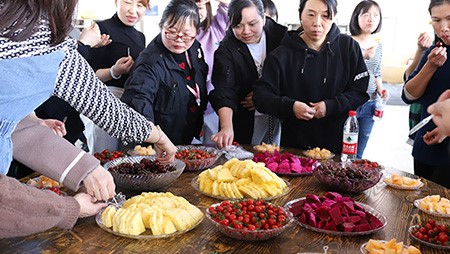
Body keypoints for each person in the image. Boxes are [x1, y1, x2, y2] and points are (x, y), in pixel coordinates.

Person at [0, 0, 176, 236]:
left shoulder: (52, 45)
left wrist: (85, 168)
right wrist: (67, 208)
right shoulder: (50, 47)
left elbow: (14, 126)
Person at [253, 0, 369, 154]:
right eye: (311, 15)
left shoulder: (348, 48)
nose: (317, 23)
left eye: (325, 16)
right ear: (300, 14)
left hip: (338, 149)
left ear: (334, 17)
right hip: (294, 151)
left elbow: (359, 92)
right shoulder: (281, 55)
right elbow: (261, 97)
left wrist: (331, 106)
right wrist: (291, 107)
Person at [121, 0, 209, 145]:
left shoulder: (194, 48)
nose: (179, 40)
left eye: (186, 35)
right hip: (158, 145)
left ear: (196, 32)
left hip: (186, 138)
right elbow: (138, 98)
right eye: (172, 32)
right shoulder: (150, 62)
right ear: (162, 25)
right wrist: (155, 139)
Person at [209, 0, 287, 148]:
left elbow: (292, 76)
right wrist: (226, 127)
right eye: (238, 26)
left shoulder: (281, 37)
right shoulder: (226, 50)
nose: (246, 31)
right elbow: (224, 90)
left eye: (252, 24)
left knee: (276, 157)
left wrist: (263, 97)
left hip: (278, 112)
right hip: (243, 117)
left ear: (263, 18)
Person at [85, 0, 149, 153]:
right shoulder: (100, 29)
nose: (133, 10)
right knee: (104, 154)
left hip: (130, 102)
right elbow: (85, 76)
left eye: (140, 5)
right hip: (103, 99)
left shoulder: (140, 37)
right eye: (128, 2)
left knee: (125, 157)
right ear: (116, 2)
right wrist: (114, 71)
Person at [401, 0, 450, 188]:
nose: (443, 28)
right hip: (424, 146)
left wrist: (446, 129)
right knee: (422, 207)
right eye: (436, 20)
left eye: (449, 19)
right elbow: (408, 95)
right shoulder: (435, 51)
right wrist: (429, 66)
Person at [349, 0, 388, 159]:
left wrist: (381, 89)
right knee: (345, 145)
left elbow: (376, 72)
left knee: (360, 149)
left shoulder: (378, 45)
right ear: (356, 17)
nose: (371, 19)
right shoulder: (348, 41)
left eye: (375, 15)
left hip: (371, 102)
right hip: (350, 101)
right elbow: (343, 71)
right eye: (366, 14)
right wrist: (362, 56)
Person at [194, 0, 230, 145]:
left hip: (214, 107)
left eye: (200, 8)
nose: (196, 13)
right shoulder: (181, 34)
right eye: (192, 8)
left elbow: (228, 5)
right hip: (189, 107)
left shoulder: (216, 28)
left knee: (213, 148)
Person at [405, 32, 433, 140]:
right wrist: (421, 51)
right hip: (420, 121)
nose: (443, 27)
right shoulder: (434, 47)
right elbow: (408, 82)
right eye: (436, 20)